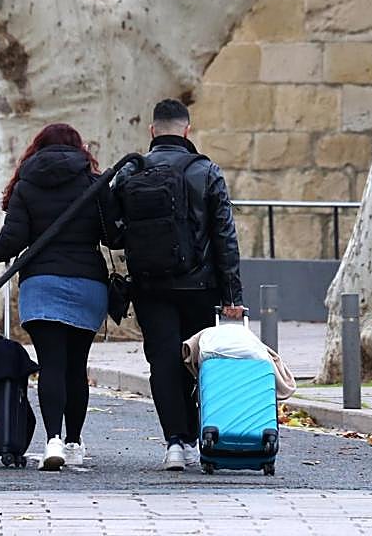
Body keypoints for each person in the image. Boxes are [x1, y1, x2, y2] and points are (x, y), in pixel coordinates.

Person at [114, 98, 246, 471]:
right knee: (199, 363)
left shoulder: (131, 171)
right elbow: (224, 236)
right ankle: (199, 438)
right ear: (187, 130)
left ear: (152, 130)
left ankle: (175, 442)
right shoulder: (206, 171)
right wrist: (233, 295)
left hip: (149, 286)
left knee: (162, 362)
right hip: (200, 287)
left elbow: (114, 234)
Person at [0, 123, 119, 471]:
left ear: (37, 149)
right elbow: (112, 235)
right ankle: (74, 442)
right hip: (88, 281)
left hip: (42, 282)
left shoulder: (28, 185)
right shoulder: (94, 184)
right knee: (77, 367)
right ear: (79, 149)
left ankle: (52, 439)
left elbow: (12, 240)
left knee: (52, 365)